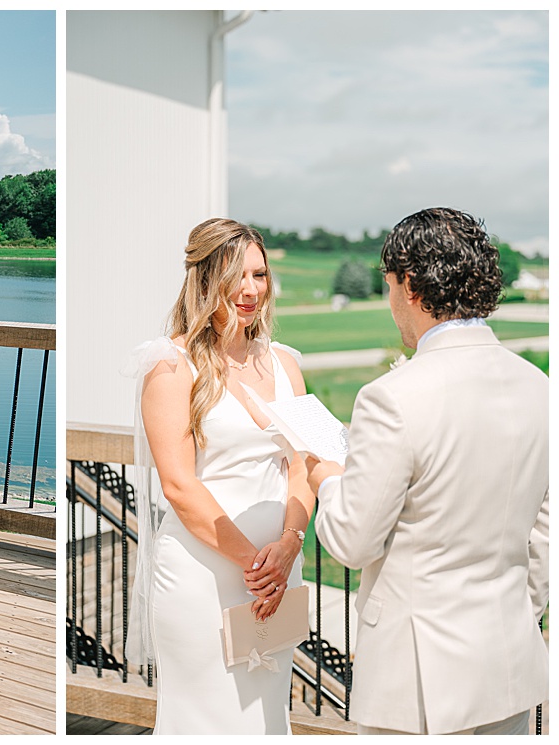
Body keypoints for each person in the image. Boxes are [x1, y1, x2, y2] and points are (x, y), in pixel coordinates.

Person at [305, 207, 548, 735]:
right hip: (509, 664)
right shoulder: (540, 388)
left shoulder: (391, 398)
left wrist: (324, 477)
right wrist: (510, 609)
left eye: (390, 285)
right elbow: (547, 533)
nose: (391, 302)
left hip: (417, 683)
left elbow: (352, 540)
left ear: (410, 285)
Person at [125, 218, 311, 734]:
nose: (251, 290)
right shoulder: (171, 366)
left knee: (267, 717)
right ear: (205, 279)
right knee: (206, 718)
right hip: (204, 576)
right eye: (237, 276)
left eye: (260, 274)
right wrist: (256, 564)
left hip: (277, 573)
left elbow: (303, 467)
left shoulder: (285, 364)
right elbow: (179, 486)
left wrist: (289, 547)